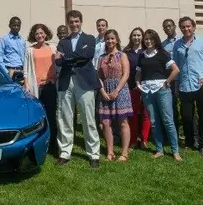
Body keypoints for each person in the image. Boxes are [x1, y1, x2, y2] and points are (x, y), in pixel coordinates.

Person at [54, 10, 100, 168]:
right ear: (68, 23)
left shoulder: (90, 39)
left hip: (85, 82)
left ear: (81, 22)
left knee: (88, 119)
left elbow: (88, 55)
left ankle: (94, 154)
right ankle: (65, 153)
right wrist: (74, 57)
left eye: (76, 21)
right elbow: (58, 62)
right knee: (65, 118)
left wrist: (67, 57)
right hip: (66, 82)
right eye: (71, 22)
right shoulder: (63, 41)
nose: (74, 24)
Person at [173, 17, 203, 157]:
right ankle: (190, 141)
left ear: (193, 27)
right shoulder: (177, 45)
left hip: (201, 85)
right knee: (187, 117)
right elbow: (176, 66)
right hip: (184, 86)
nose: (186, 29)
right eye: (183, 27)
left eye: (188, 26)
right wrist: (176, 85)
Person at [138, 29, 182, 161]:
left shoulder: (163, 53)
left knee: (168, 120)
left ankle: (175, 151)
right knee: (154, 122)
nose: (148, 41)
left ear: (155, 40)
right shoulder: (142, 55)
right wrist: (138, 83)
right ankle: (159, 149)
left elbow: (176, 70)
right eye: (146, 39)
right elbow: (139, 72)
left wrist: (166, 82)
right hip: (147, 91)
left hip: (162, 90)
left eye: (151, 39)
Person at [96, 29, 133, 162]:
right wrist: (103, 91)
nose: (110, 41)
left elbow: (126, 74)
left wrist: (117, 90)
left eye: (112, 38)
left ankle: (124, 153)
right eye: (107, 39)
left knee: (122, 121)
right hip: (105, 90)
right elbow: (99, 76)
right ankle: (110, 152)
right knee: (105, 122)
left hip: (120, 89)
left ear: (116, 40)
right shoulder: (101, 58)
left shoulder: (122, 55)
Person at [22, 24, 58, 155]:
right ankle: (35, 143)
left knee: (51, 115)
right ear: (34, 35)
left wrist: (55, 78)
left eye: (42, 33)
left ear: (46, 34)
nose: (39, 35)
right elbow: (25, 70)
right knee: (36, 116)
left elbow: (58, 66)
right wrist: (26, 85)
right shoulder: (29, 50)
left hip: (50, 85)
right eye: (37, 33)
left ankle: (53, 143)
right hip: (35, 87)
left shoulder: (53, 48)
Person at [124, 27, 150, 150]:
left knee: (146, 114)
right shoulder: (127, 52)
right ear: (131, 37)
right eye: (134, 35)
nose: (136, 37)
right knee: (133, 115)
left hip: (146, 87)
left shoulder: (147, 51)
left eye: (139, 35)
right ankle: (133, 140)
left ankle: (144, 140)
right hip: (131, 87)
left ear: (142, 37)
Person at [162, 18, 185, 138]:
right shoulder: (163, 45)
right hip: (171, 79)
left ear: (174, 26)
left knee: (186, 108)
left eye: (169, 26)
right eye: (165, 27)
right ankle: (173, 133)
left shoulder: (182, 41)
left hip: (183, 78)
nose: (167, 28)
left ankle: (189, 135)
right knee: (172, 107)